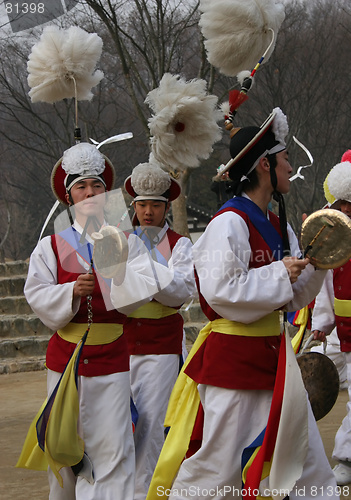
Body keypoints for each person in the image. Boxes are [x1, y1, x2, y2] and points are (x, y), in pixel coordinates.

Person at [146, 108, 339, 500]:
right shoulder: (228, 222)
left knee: (307, 463)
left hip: (275, 360)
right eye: (285, 159)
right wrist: (279, 274)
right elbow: (219, 292)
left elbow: (292, 296)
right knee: (216, 470)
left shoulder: (278, 224)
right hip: (234, 361)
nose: (290, 166)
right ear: (265, 165)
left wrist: (320, 263)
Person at [20, 142, 135, 500]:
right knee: (64, 443)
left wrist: (118, 279)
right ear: (69, 195)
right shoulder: (50, 246)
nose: (90, 192)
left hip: (113, 359)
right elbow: (36, 293)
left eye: (97, 185)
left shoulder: (126, 239)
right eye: (81, 186)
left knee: (113, 446)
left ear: (106, 193)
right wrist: (71, 291)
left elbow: (143, 293)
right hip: (65, 358)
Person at [110, 161, 196, 500]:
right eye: (142, 205)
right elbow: (115, 293)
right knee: (122, 426)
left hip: (162, 348)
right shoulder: (121, 241)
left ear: (166, 207)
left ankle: (150, 493)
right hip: (124, 345)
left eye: (155, 205)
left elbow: (181, 291)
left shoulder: (180, 245)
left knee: (153, 427)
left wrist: (141, 271)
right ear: (134, 206)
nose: (148, 212)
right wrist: (153, 278)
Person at [311, 153, 351, 485]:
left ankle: (346, 457)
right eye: (343, 202)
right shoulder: (332, 232)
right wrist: (322, 323)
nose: (348, 208)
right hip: (343, 330)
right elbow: (324, 281)